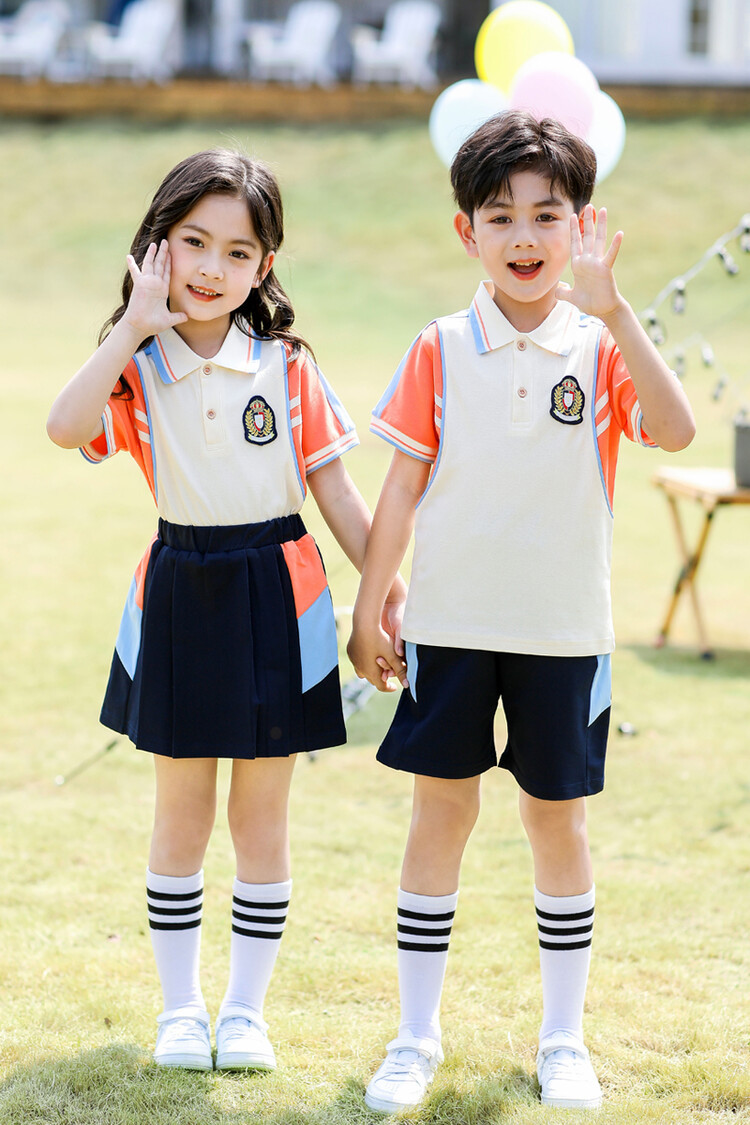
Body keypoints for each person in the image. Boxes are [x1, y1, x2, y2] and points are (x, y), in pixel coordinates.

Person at [347, 111, 695, 1113]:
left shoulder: (599, 346)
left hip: (564, 633)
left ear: (580, 225)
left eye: (547, 213)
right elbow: (400, 490)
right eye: (500, 216)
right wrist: (369, 609)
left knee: (557, 823)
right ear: (468, 232)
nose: (525, 235)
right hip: (450, 628)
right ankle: (415, 1036)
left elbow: (673, 428)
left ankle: (563, 1039)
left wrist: (618, 313)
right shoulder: (439, 346)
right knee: (440, 815)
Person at [47, 149, 402, 1074]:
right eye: (193, 241)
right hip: (180, 584)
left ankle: (245, 1012)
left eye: (237, 252)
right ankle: (180, 1009)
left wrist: (384, 595)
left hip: (279, 587)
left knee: (262, 814)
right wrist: (132, 325)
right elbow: (65, 426)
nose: (212, 267)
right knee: (180, 811)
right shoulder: (137, 368)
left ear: (264, 266)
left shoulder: (286, 367)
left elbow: (338, 494)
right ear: (156, 246)